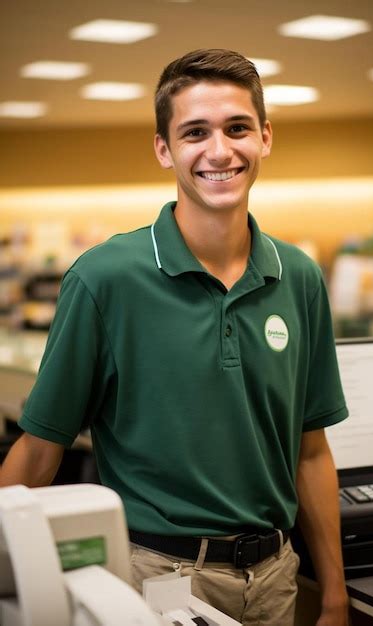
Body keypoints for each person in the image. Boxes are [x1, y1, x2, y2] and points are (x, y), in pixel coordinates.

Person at [0, 49, 349, 626]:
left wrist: (334, 593)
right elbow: (40, 447)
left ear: (264, 138)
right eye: (195, 132)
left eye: (237, 128)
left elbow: (311, 450)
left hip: (276, 580)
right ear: (164, 149)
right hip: (153, 579)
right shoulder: (104, 278)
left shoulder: (301, 277)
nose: (219, 150)